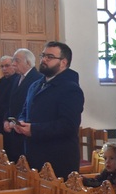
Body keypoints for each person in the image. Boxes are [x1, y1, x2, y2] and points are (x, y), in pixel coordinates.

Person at [12, 42, 83, 179]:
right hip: (34, 153)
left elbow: (68, 125)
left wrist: (33, 129)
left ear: (63, 62)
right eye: (43, 55)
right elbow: (25, 110)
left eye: (50, 57)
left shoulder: (70, 89)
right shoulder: (35, 85)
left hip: (58, 158)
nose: (44, 59)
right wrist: (20, 122)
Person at [2, 48, 41, 162]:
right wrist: (6, 119)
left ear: (28, 62)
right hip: (14, 129)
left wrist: (15, 123)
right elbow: (11, 103)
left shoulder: (37, 79)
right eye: (13, 60)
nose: (13, 64)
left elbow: (30, 107)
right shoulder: (17, 79)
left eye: (17, 60)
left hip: (25, 130)